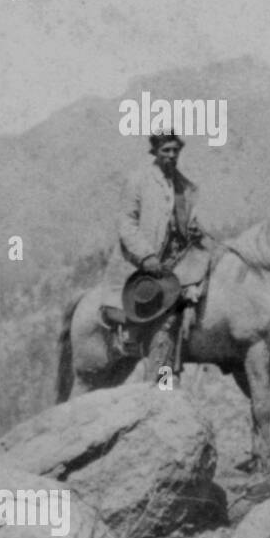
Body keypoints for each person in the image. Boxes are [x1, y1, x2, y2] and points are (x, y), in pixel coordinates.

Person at [104, 130, 209, 377]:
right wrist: (146, 256)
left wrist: (193, 230)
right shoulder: (138, 181)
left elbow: (187, 223)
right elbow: (126, 224)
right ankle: (159, 384)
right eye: (166, 151)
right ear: (155, 152)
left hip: (176, 262)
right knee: (168, 317)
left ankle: (171, 376)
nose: (172, 156)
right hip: (142, 265)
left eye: (175, 150)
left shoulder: (184, 186)